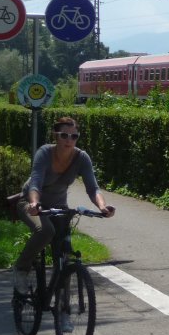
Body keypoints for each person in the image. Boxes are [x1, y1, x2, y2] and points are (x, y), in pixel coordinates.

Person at [13, 117, 115, 294]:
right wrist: (34, 203)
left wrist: (103, 207)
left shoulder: (81, 158)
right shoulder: (44, 153)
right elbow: (35, 182)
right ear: (56, 136)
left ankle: (63, 304)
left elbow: (93, 188)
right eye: (64, 135)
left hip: (59, 207)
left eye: (74, 136)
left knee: (64, 253)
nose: (69, 140)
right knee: (46, 231)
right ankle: (21, 269)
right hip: (31, 203)